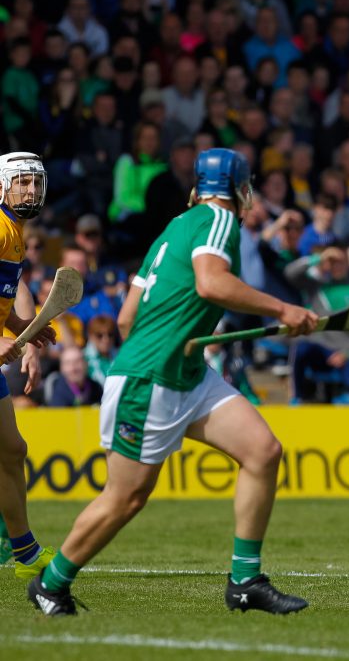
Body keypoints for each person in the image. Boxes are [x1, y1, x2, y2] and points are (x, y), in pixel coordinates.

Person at [28, 149, 319, 616]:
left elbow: (127, 316)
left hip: (184, 372)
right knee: (126, 498)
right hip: (152, 379)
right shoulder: (220, 220)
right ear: (240, 191)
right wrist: (282, 309)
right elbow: (210, 283)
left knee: (263, 451)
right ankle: (51, 582)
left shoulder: (173, 229)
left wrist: (174, 342)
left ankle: (245, 582)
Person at [0, 152, 59, 580]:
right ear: (3, 185)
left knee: (12, 449)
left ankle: (25, 554)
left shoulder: (16, 233)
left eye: (36, 183)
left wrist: (22, 326)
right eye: (22, 182)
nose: (31, 190)